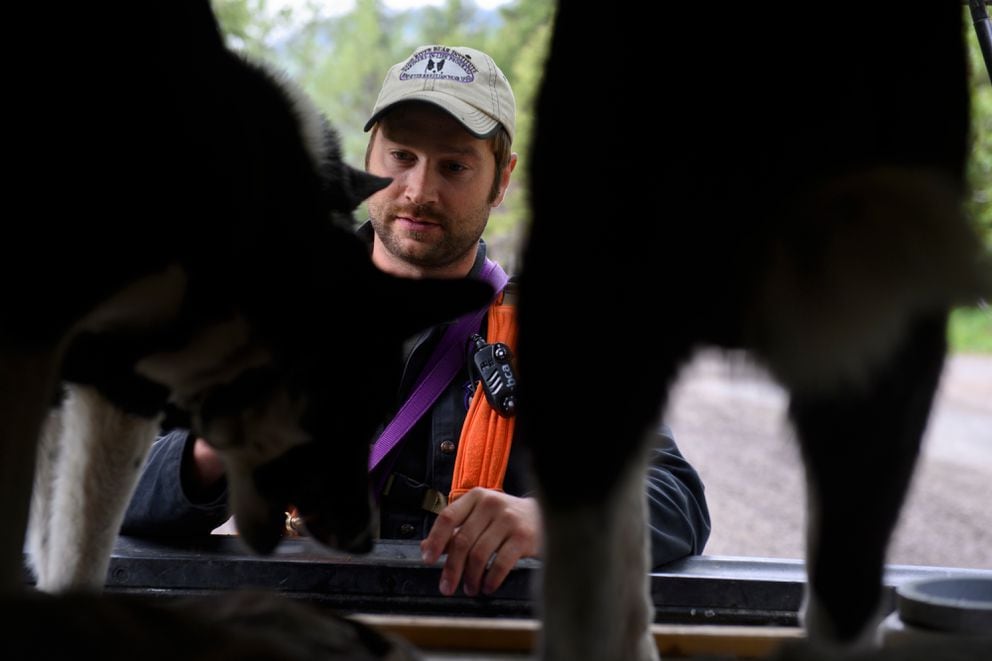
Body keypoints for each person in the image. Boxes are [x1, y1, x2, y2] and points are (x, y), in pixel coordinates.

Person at [122, 44, 711, 597]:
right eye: (402, 157)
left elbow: (676, 499)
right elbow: (119, 487)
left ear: (502, 178)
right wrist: (212, 446)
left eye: (454, 167)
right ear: (369, 156)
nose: (418, 191)